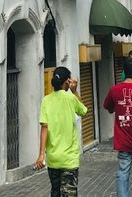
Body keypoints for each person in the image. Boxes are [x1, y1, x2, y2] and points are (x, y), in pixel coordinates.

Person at [35, 66, 88, 197]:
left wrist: (41, 154)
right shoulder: (71, 99)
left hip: (53, 158)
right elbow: (83, 111)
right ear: (67, 82)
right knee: (69, 193)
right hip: (69, 159)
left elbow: (44, 128)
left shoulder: (46, 100)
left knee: (55, 192)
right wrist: (75, 91)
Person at [103, 57, 132, 197]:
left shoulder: (114, 90)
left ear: (124, 72)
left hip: (123, 140)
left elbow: (108, 107)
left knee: (123, 173)